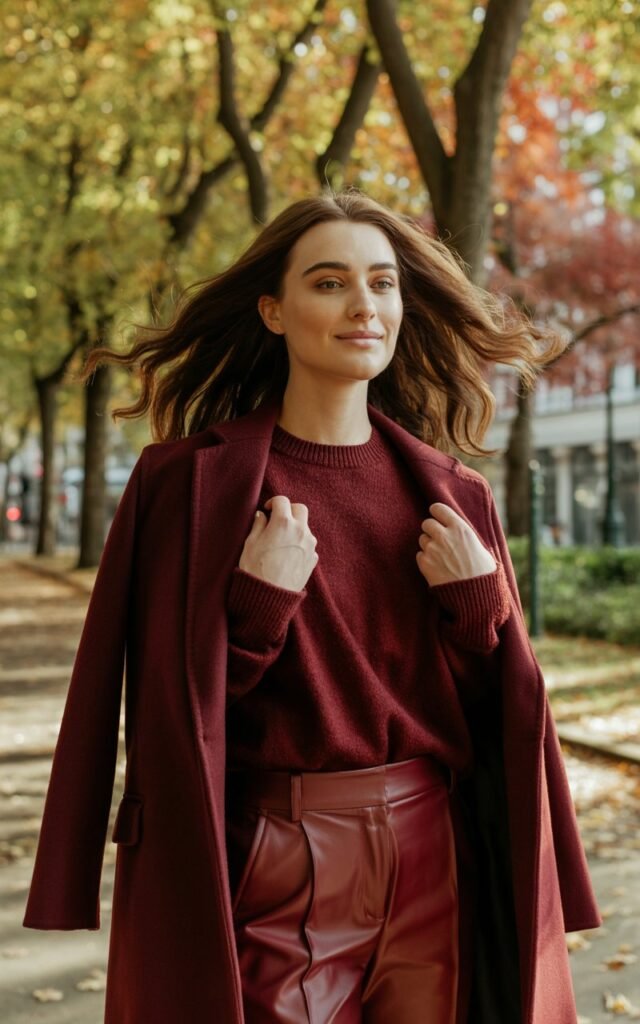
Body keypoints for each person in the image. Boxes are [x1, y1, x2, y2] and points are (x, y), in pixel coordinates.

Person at [23, 188, 601, 1024]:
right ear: (273, 310)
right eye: (329, 283)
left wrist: (478, 612)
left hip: (433, 849)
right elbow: (161, 708)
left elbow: (494, 719)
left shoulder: (453, 493)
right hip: (278, 853)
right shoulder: (184, 484)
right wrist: (256, 608)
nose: (363, 305)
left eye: (382, 283)